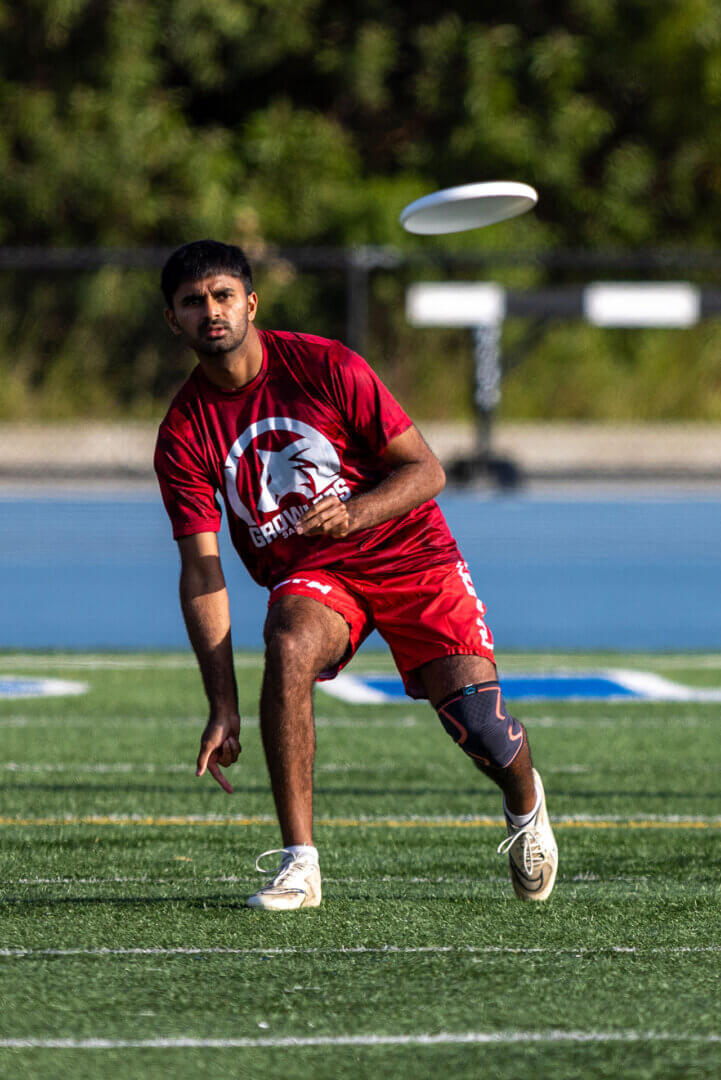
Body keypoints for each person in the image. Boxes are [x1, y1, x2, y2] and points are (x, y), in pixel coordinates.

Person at [154, 239, 558, 910]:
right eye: (192, 303)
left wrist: (354, 513)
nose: (210, 312)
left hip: (409, 554)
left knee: (480, 725)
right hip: (315, 574)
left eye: (222, 296)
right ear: (173, 320)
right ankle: (299, 865)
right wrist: (220, 703)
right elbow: (202, 572)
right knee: (286, 639)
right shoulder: (184, 432)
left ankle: (524, 805)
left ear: (250, 303)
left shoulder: (324, 365)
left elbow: (427, 470)